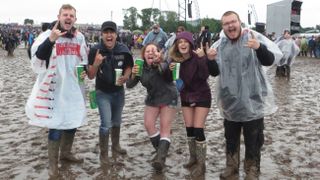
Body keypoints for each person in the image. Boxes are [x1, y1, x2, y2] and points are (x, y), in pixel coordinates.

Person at [209, 11, 283, 180]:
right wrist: (210, 60)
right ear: (223, 27)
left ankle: (252, 169)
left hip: (253, 100)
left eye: (233, 21)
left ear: (239, 22)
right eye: (226, 23)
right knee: (231, 138)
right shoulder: (220, 45)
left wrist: (258, 48)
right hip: (230, 102)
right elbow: (214, 73)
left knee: (254, 138)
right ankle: (231, 167)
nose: (230, 25)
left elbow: (269, 60)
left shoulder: (252, 37)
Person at [25, 4, 89, 178]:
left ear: (75, 19)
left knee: (73, 120)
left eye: (71, 15)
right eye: (65, 15)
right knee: (56, 126)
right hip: (54, 87)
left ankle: (66, 153)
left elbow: (83, 60)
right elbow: (36, 60)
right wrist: (51, 40)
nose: (68, 17)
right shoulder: (46, 35)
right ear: (59, 16)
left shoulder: (79, 37)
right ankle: (53, 164)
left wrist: (84, 71)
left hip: (73, 86)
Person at [168, 31, 219, 177]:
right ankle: (193, 158)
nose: (183, 44)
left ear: (190, 44)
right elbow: (173, 80)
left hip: (202, 95)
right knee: (189, 130)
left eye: (185, 41)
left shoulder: (198, 56)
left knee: (198, 130)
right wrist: (170, 71)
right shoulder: (175, 60)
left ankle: (201, 165)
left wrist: (203, 58)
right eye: (180, 42)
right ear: (176, 45)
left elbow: (204, 76)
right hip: (186, 96)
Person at [87, 21, 133, 165]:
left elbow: (129, 67)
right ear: (101, 34)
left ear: (116, 34)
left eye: (111, 32)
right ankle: (104, 154)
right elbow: (90, 76)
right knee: (105, 123)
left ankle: (116, 145)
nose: (109, 35)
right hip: (102, 92)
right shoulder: (95, 50)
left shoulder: (123, 49)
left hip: (119, 92)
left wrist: (126, 77)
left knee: (117, 121)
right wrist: (96, 63)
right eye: (106, 32)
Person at [126, 42, 178, 171]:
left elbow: (167, 72)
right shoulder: (140, 67)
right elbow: (129, 85)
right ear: (143, 55)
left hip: (168, 96)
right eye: (147, 51)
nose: (150, 53)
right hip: (152, 98)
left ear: (159, 53)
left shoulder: (164, 62)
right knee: (149, 125)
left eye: (154, 50)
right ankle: (162, 152)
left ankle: (160, 159)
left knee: (165, 128)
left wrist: (159, 63)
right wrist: (133, 74)